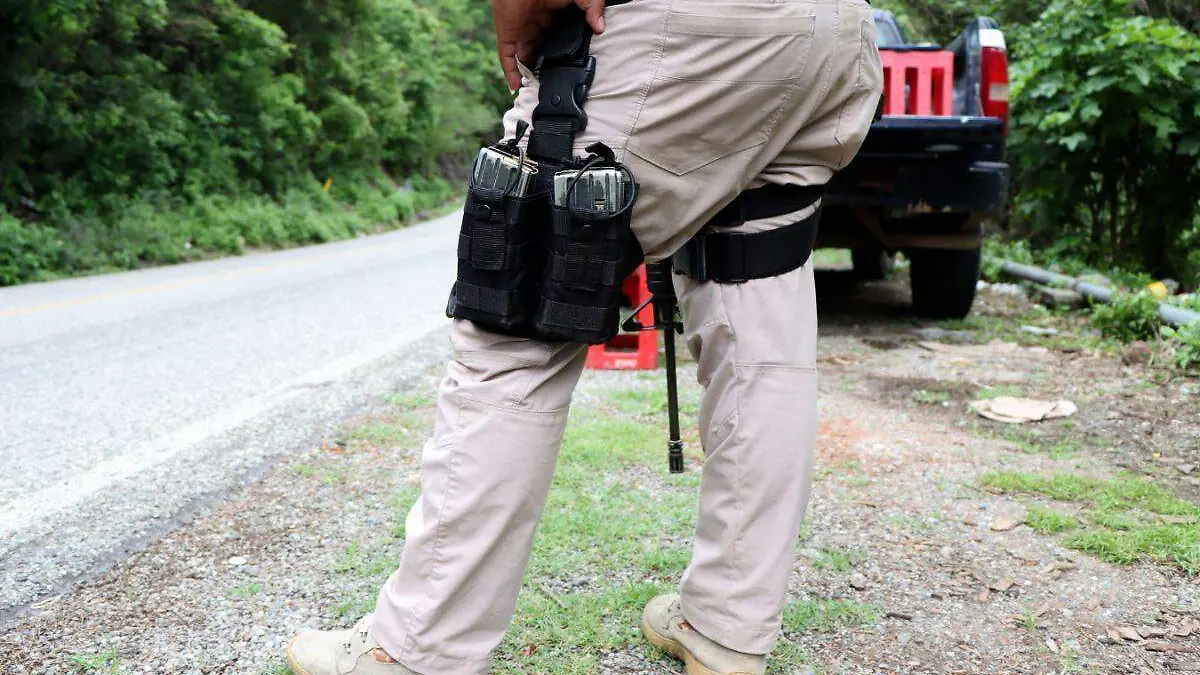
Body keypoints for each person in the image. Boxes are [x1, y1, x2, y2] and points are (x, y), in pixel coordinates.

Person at [285, 0, 883, 673]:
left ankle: (418, 648)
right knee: (756, 301)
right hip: (830, 36)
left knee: (516, 313)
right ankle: (726, 624)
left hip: (692, 27)